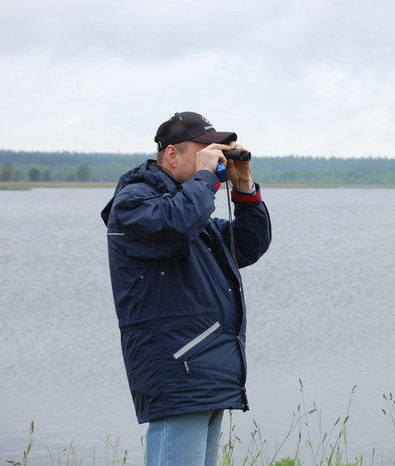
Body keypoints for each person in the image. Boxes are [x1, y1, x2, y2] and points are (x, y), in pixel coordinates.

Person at [100, 111, 272, 465]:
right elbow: (176, 224)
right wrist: (207, 179)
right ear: (172, 155)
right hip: (178, 373)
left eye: (218, 149)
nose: (215, 155)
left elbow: (248, 245)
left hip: (206, 375)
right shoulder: (135, 203)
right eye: (205, 149)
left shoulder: (194, 212)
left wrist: (243, 190)